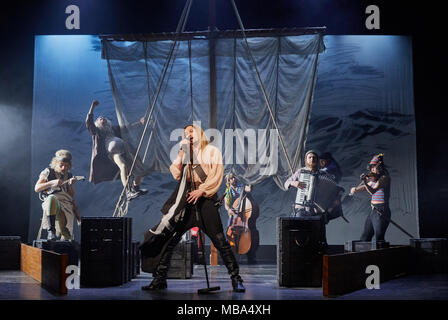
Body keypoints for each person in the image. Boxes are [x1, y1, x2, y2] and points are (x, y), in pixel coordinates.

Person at [140, 124, 245, 292]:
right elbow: (176, 174)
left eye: (191, 131)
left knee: (220, 241)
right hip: (187, 201)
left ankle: (236, 279)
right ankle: (160, 279)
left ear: (200, 133)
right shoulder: (185, 153)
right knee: (172, 240)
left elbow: (216, 176)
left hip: (205, 201)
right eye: (184, 133)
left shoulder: (212, 151)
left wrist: (202, 190)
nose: (188, 134)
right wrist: (181, 153)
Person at [86, 100, 147, 201]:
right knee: (123, 166)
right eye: (99, 118)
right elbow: (89, 123)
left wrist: (140, 123)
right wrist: (92, 107)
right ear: (97, 124)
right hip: (113, 153)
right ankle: (128, 191)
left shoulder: (113, 129)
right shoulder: (98, 132)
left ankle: (136, 188)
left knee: (140, 166)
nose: (102, 118)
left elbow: (127, 128)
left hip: (125, 150)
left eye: (103, 117)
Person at [35, 150, 81, 241]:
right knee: (52, 198)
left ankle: (65, 240)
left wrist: (71, 185)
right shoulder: (48, 171)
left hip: (66, 204)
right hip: (52, 203)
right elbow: (37, 188)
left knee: (66, 238)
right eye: (61, 165)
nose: (64, 168)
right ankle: (51, 231)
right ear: (56, 163)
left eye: (67, 166)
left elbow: (71, 196)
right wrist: (52, 182)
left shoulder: (68, 175)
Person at [350, 154, 391, 241]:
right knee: (365, 237)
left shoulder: (384, 178)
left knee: (379, 238)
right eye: (371, 167)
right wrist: (356, 190)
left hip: (382, 210)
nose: (371, 170)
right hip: (373, 210)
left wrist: (364, 182)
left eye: (373, 167)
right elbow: (365, 187)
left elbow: (373, 190)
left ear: (379, 167)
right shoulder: (374, 179)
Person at [224, 173, 259, 264]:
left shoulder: (242, 187)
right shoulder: (228, 191)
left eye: (234, 177)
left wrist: (250, 185)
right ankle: (231, 255)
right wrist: (229, 210)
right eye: (231, 178)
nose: (234, 179)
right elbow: (226, 205)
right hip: (235, 215)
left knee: (250, 233)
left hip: (244, 215)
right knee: (229, 230)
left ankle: (251, 255)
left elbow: (248, 189)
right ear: (228, 181)